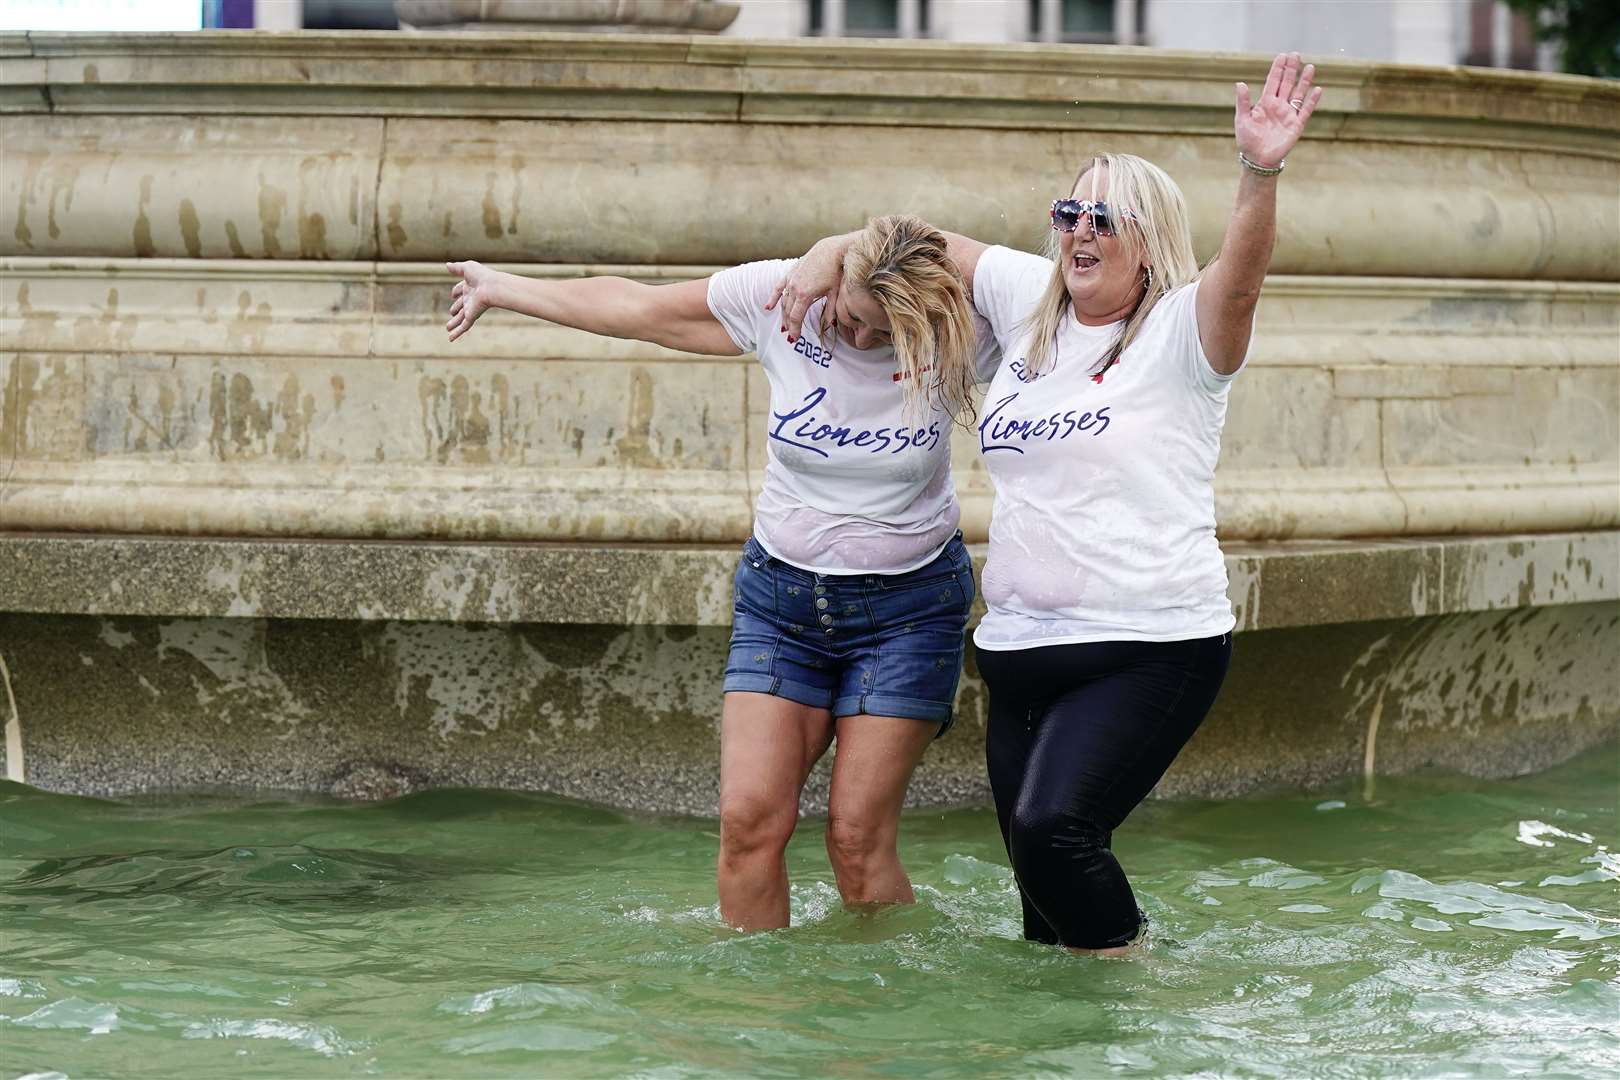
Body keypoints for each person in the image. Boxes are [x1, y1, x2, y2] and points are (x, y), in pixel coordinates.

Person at [769, 53, 1322, 953]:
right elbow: (915, 239)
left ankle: (1147, 998)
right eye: (1070, 213)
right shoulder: (1033, 302)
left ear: (1150, 242)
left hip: (1150, 645)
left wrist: (1259, 171)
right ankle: (1071, 1043)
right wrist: (832, 252)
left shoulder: (1184, 329)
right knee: (1039, 909)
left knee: (1053, 834)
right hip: (1022, 651)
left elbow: (1245, 275)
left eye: (1107, 218)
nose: (1081, 232)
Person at [445, 215, 997, 931]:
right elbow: (641, 309)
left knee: (855, 840)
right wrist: (503, 287)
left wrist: (839, 245)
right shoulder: (785, 298)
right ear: (835, 283)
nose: (858, 338)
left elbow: (1058, 298)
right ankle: (757, 1015)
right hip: (782, 606)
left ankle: (876, 1024)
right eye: (851, 317)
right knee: (747, 826)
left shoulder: (962, 332)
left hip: (908, 611)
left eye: (882, 333)